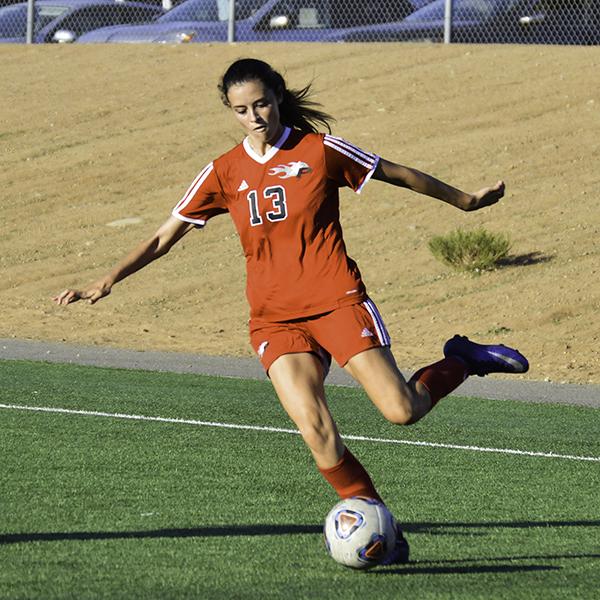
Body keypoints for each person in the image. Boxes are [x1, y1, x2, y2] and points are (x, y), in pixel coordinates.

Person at [54, 58, 528, 565]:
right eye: (241, 109)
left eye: (261, 103)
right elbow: (162, 237)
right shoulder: (223, 171)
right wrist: (106, 280)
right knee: (318, 435)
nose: (254, 116)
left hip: (337, 301)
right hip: (275, 319)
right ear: (230, 112)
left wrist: (465, 201)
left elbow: (396, 173)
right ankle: (383, 532)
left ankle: (460, 358)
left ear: (277, 96)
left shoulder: (317, 151)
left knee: (401, 411)